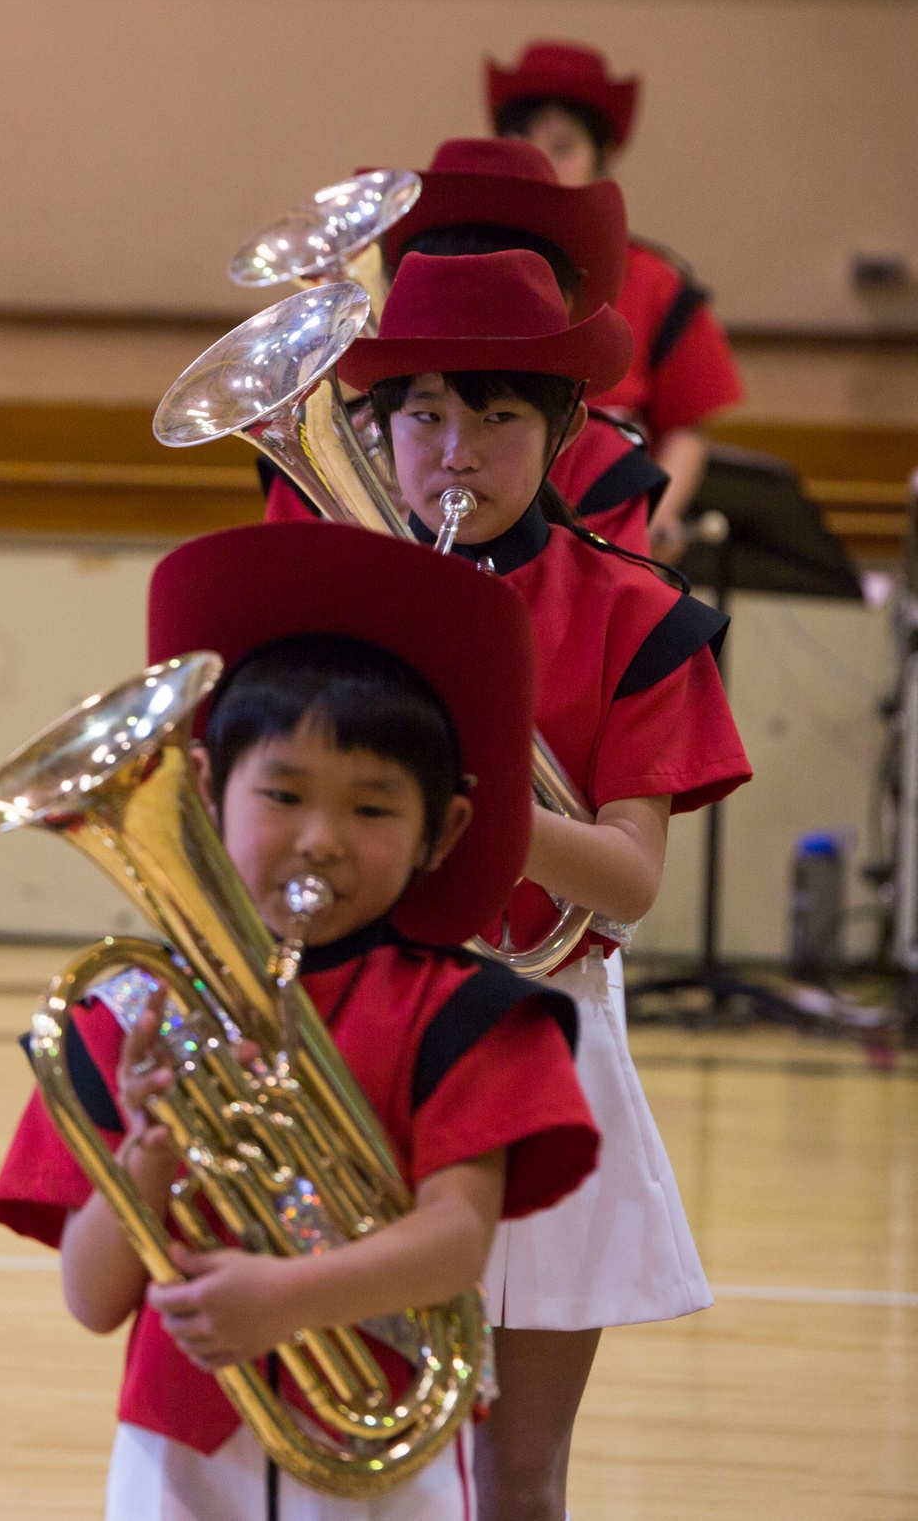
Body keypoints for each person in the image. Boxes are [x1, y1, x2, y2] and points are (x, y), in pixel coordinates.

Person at [0, 521, 603, 1521]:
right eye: (281, 793)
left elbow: (455, 1240)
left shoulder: (467, 1012)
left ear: (442, 829)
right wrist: (147, 1149)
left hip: (385, 1458)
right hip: (175, 1461)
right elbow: (91, 1299)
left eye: (372, 809)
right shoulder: (128, 1010)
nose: (320, 838)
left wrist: (286, 1298)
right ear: (205, 790)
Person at [334, 246, 753, 1520]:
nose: (453, 450)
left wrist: (468, 784)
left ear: (564, 428)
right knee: (368, 1449)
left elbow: (624, 882)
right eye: (421, 415)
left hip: (547, 1028)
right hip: (367, 1039)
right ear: (379, 428)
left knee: (518, 1474)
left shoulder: (633, 614)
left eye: (497, 415)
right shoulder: (337, 602)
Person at [263, 136, 667, 556]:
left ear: (560, 304)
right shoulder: (332, 447)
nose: (457, 457)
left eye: (512, 275)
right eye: (445, 273)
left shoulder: (605, 465)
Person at [487, 40, 744, 561]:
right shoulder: (466, 271)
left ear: (602, 160)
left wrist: (654, 518)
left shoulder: (656, 281)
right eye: (521, 143)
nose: (539, 164)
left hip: (615, 545)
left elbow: (685, 432)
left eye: (562, 146)